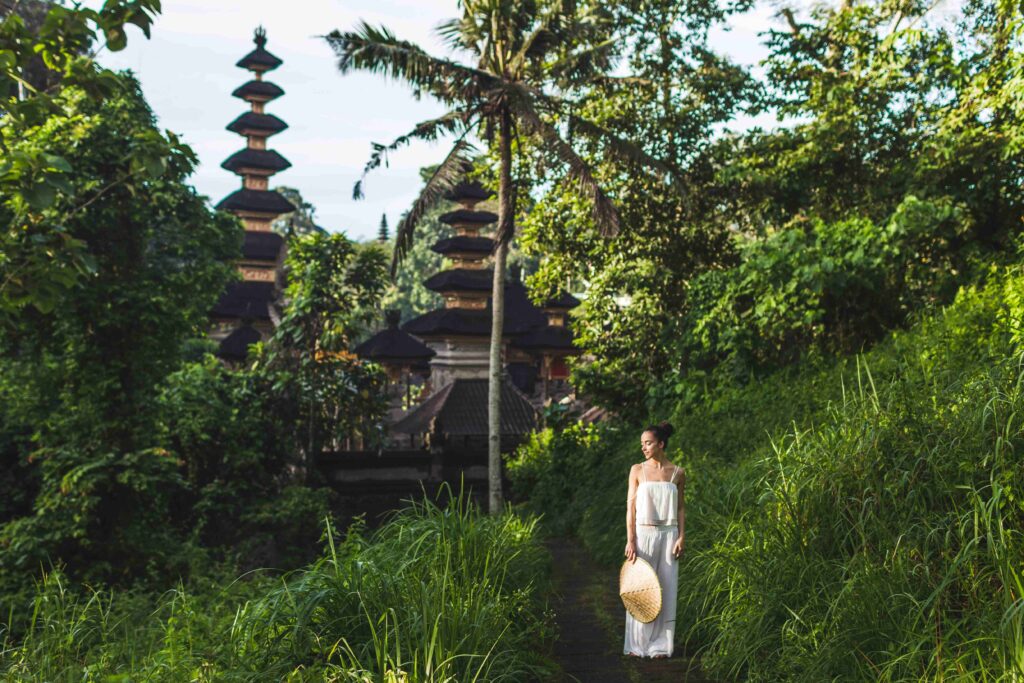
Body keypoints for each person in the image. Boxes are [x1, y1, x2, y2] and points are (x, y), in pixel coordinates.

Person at [623, 421, 685, 658]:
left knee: (666, 589)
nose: (644, 447)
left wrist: (681, 536)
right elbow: (630, 507)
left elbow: (680, 508)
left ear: (661, 444)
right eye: (642, 444)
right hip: (643, 534)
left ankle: (660, 645)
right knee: (641, 588)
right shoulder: (637, 470)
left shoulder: (678, 473)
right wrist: (631, 540)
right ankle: (637, 645)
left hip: (669, 535)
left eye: (648, 443)